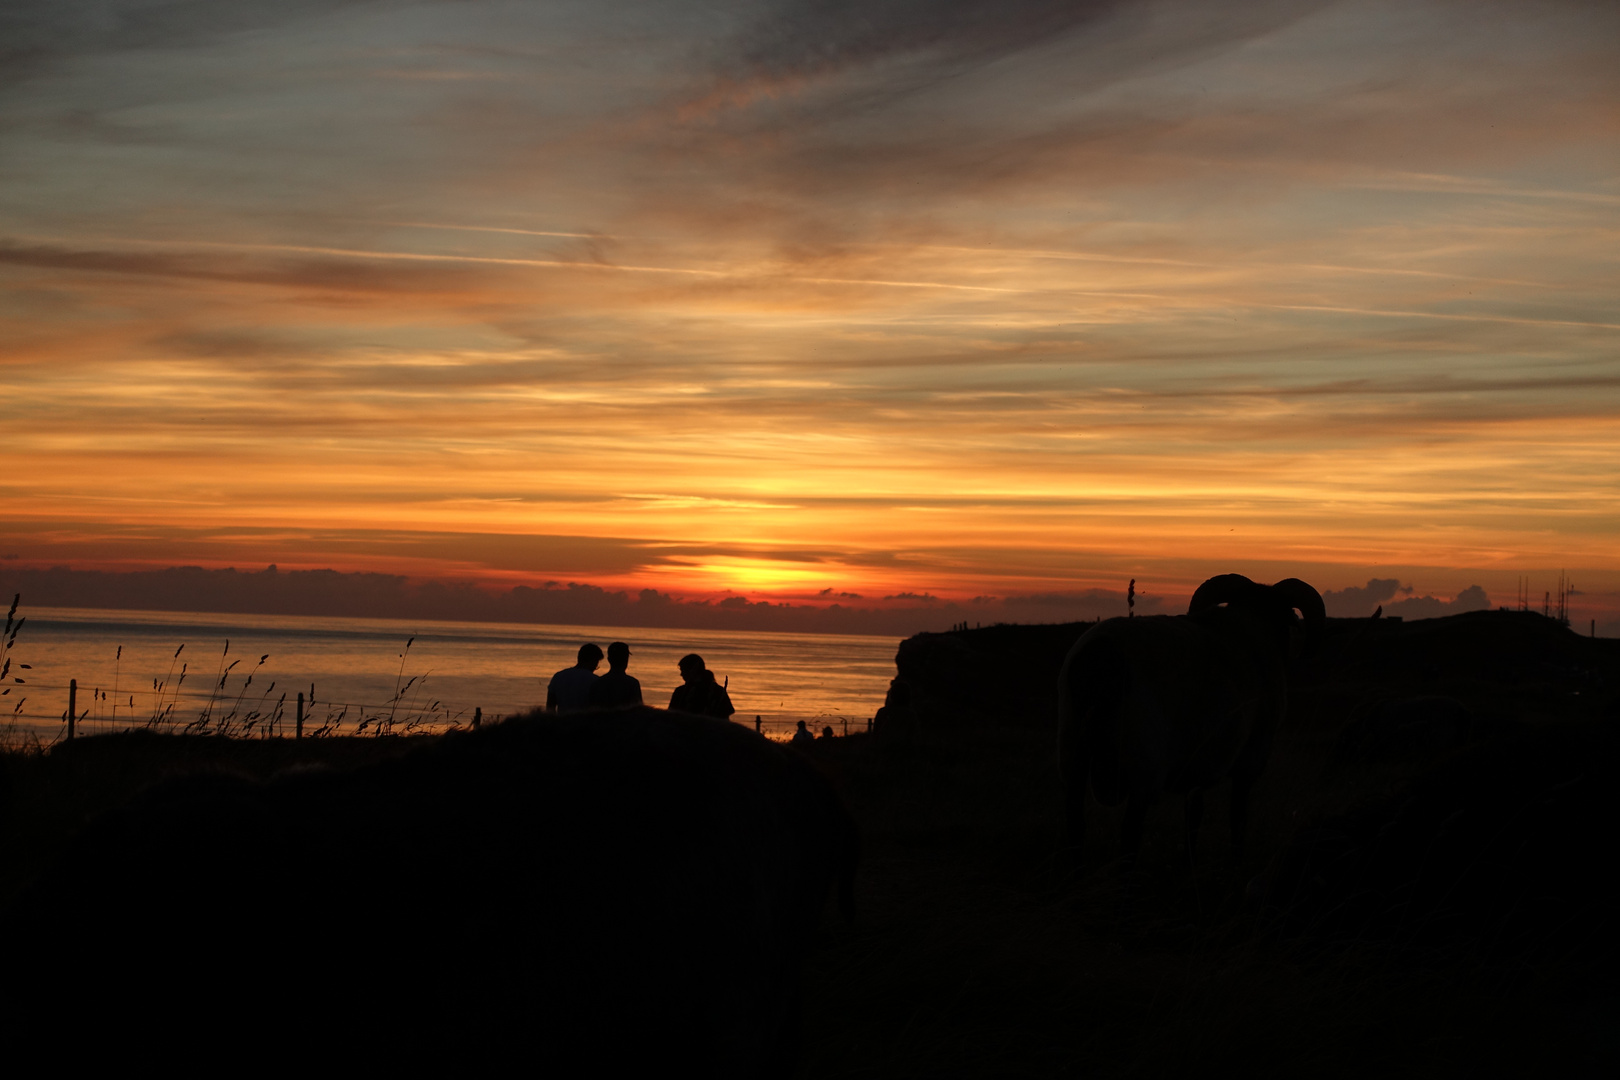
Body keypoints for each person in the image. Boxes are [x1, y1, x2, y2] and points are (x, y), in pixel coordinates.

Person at [668, 653, 734, 721]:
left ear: (692, 670)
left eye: (683, 670)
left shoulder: (681, 692)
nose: (681, 674)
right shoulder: (719, 690)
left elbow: (671, 715)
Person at [546, 643, 602, 714]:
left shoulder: (558, 677)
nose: (595, 668)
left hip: (562, 722)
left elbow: (550, 707)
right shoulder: (595, 681)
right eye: (596, 664)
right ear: (593, 661)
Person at [588, 641, 643, 711]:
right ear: (626, 660)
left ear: (609, 660)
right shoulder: (632, 683)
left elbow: (592, 709)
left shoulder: (597, 683)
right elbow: (638, 711)